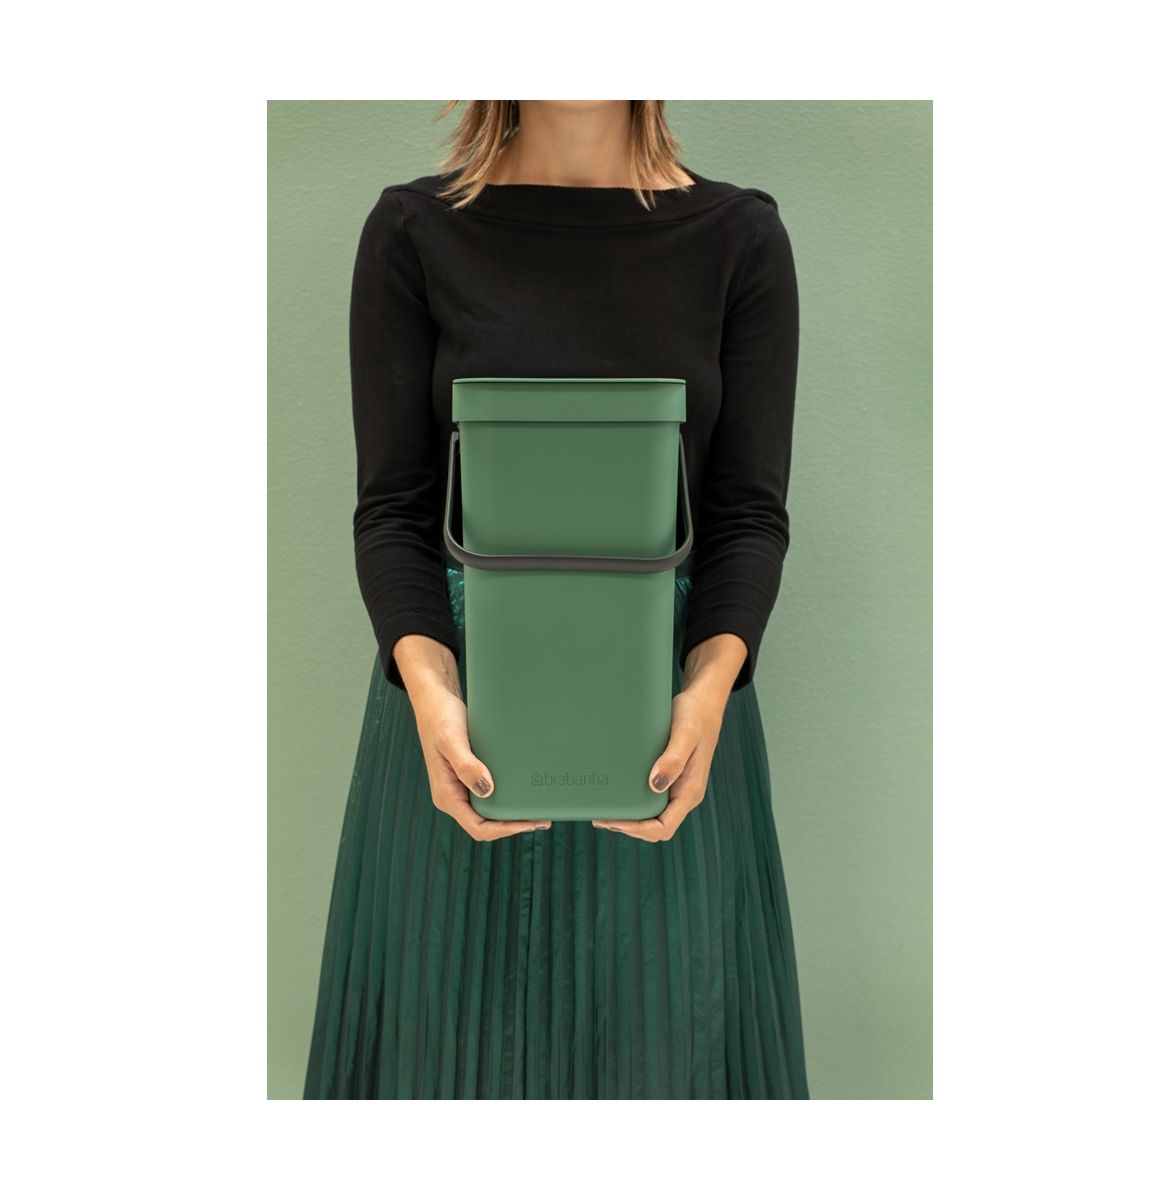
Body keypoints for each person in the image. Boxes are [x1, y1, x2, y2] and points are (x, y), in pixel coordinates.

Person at [303, 100, 810, 1099]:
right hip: (456, 715)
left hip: (675, 714)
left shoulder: (740, 238)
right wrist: (432, 696)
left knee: (672, 1057)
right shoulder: (413, 230)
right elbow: (393, 511)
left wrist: (708, 693)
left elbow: (748, 514)